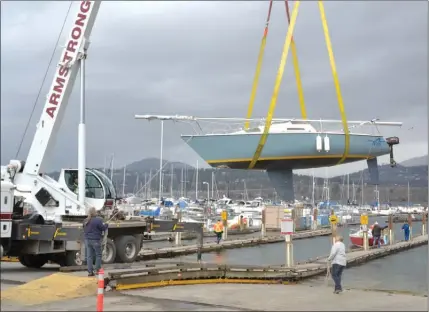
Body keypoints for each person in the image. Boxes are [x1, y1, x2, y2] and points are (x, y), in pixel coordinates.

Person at [84, 207, 108, 277]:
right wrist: (106, 225)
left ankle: (90, 272)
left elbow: (84, 229)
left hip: (87, 240)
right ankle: (97, 270)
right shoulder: (98, 220)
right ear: (95, 212)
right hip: (95, 240)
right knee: (98, 255)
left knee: (89, 256)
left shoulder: (85, 220)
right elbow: (103, 228)